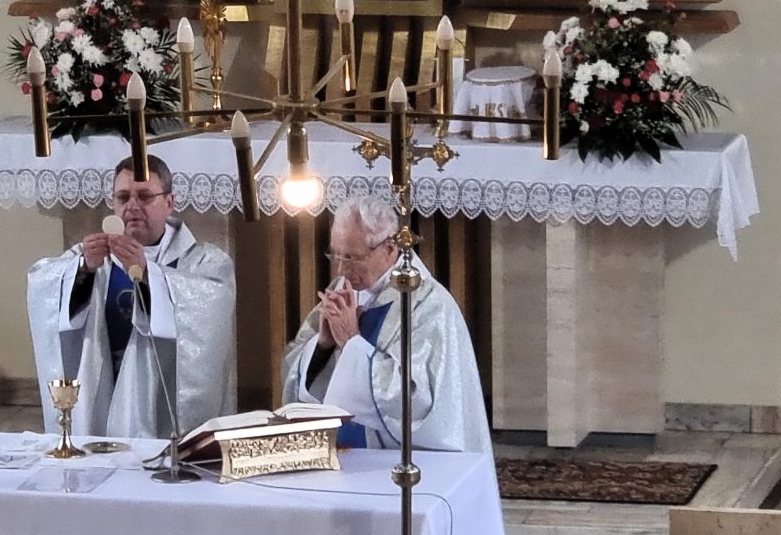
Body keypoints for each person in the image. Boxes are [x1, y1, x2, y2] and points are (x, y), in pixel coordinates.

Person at [27, 154, 237, 440]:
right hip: (102, 399)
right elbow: (44, 288)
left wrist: (150, 274)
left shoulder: (203, 262)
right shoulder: (91, 256)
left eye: (145, 196)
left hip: (163, 412)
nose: (133, 206)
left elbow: (211, 310)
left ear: (170, 202)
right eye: (123, 197)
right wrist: (83, 270)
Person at [281, 195, 492, 454]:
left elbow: (416, 400)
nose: (341, 270)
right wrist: (322, 346)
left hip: (403, 461)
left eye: (352, 258)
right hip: (342, 454)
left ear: (389, 249)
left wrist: (351, 343)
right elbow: (292, 370)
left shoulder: (427, 304)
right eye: (336, 256)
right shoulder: (342, 288)